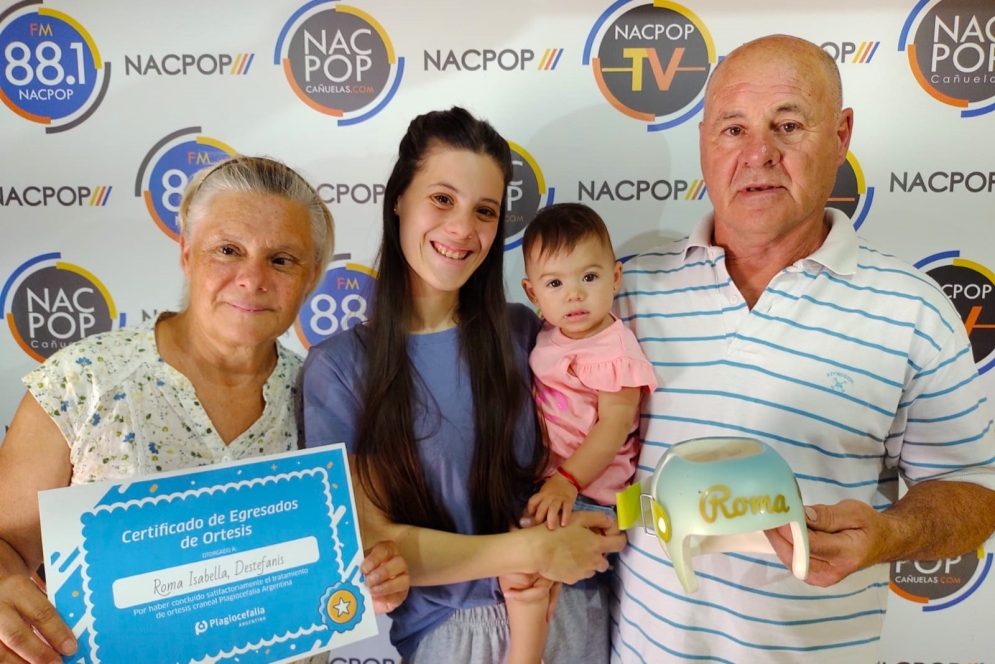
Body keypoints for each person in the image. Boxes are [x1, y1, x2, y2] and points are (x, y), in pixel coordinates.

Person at [611, 35, 995, 663]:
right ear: (704, 141)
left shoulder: (914, 311)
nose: (758, 153)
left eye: (788, 125)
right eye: (733, 129)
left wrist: (892, 533)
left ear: (841, 136)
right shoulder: (626, 291)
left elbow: (972, 487)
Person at [0, 156, 410, 664]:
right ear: (187, 253)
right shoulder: (84, 381)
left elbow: (355, 551)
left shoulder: (327, 395)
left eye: (282, 260)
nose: (252, 278)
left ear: (311, 278)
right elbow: (6, 544)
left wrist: (374, 572)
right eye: (228, 250)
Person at [301, 107, 626, 664]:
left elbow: (596, 458)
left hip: (576, 609)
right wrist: (531, 549)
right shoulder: (339, 367)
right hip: (453, 637)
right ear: (399, 198)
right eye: (442, 199)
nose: (461, 229)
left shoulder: (528, 332)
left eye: (484, 211)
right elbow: (374, 544)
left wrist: (584, 527)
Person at [503, 203, 657, 662]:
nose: (574, 295)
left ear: (615, 277)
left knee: (569, 596)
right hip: (551, 485)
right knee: (528, 579)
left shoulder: (614, 349)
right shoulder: (549, 333)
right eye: (555, 284)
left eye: (589, 277)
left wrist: (567, 481)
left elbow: (613, 427)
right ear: (532, 292)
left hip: (588, 495)